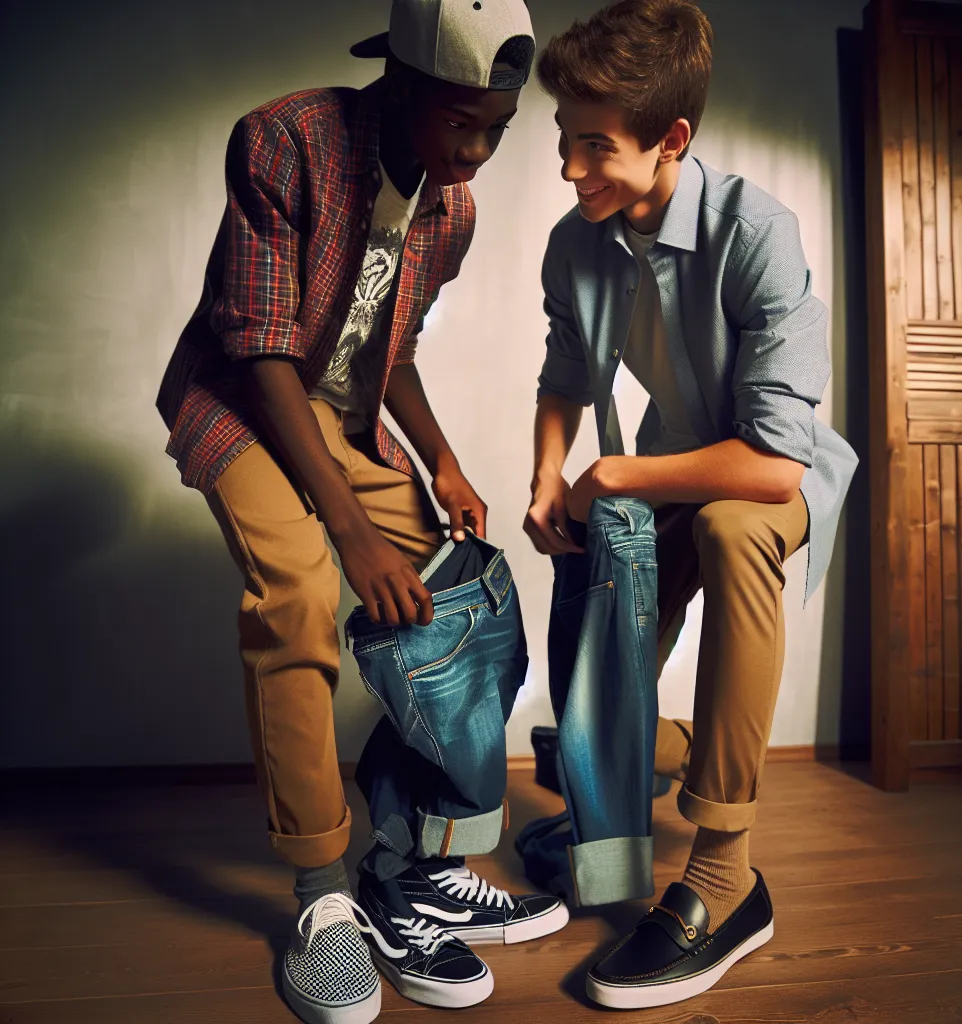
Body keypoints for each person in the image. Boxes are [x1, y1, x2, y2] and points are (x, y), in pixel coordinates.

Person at [156, 2, 566, 1021]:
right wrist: (348, 526)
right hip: (247, 405)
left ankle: (408, 863)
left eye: (494, 131)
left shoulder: (451, 211)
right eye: (457, 124)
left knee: (449, 595)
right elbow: (257, 349)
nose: (473, 155)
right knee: (296, 590)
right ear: (400, 86)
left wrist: (442, 462)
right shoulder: (284, 141)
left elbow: (394, 354)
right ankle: (322, 896)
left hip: (341, 418)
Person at [521, 0, 858, 1009]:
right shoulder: (575, 243)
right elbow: (564, 370)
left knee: (728, 527)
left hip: (763, 483)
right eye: (562, 143)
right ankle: (620, 776)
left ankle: (725, 875)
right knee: (603, 636)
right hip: (669, 472)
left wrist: (610, 474)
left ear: (672, 140)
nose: (570, 170)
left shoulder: (757, 231)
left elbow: (774, 466)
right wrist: (549, 475)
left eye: (593, 147)